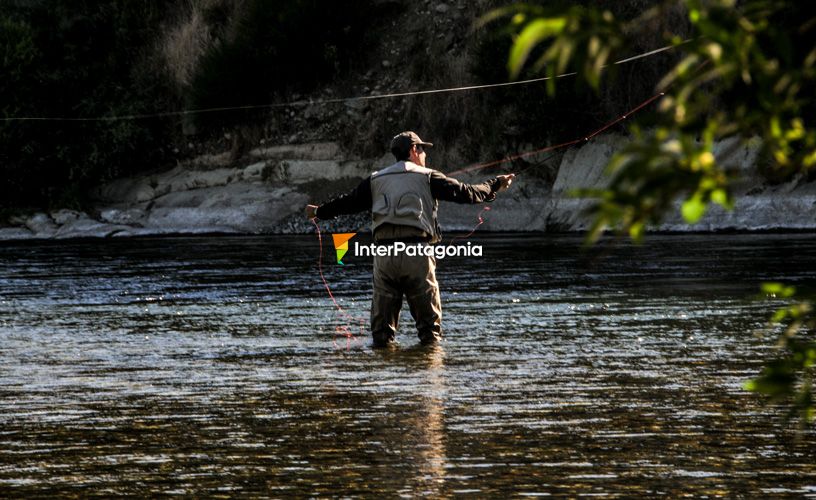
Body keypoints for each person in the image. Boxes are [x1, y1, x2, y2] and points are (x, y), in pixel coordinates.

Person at [305, 131, 514, 347]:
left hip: (384, 257)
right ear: (414, 150)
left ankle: (383, 375)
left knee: (381, 336)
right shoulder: (429, 176)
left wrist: (318, 212)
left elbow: (347, 203)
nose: (424, 155)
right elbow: (468, 193)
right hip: (417, 255)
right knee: (429, 333)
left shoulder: (375, 179)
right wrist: (495, 184)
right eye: (422, 149)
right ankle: (429, 375)